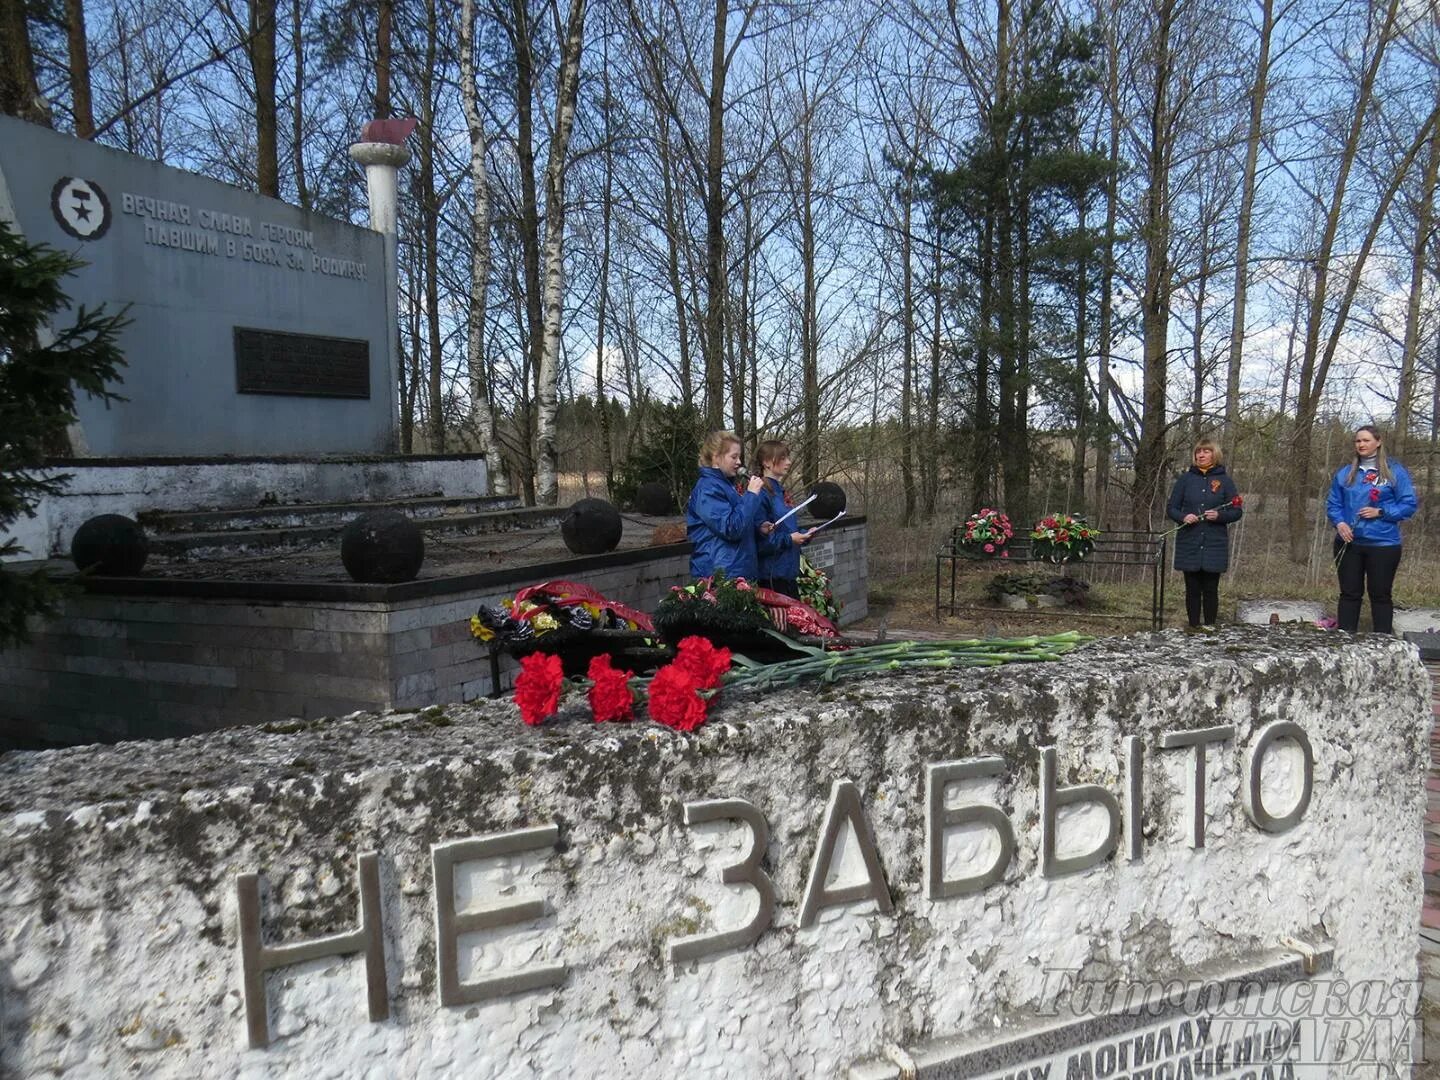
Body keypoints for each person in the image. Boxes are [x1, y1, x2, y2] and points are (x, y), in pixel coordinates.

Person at [1326, 424, 1417, 634]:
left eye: (1366, 440)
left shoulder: (1395, 471)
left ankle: (1382, 644)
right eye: (1358, 441)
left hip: (1383, 544)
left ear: (1378, 442)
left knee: (1380, 595)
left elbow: (1408, 504)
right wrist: (1339, 523)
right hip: (1349, 543)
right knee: (1349, 594)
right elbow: (1333, 504)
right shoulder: (1345, 473)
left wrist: (1381, 512)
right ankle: (1345, 641)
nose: (1361, 444)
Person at [1165, 438, 1243, 629]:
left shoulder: (1225, 481)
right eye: (1198, 452)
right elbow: (1171, 508)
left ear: (1214, 454)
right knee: (1192, 589)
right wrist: (1184, 517)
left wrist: (1219, 515)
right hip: (1189, 541)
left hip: (1214, 543)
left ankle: (1209, 628)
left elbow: (1237, 511)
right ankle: (1193, 627)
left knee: (1210, 589)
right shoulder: (1185, 480)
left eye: (1206, 451)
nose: (1201, 455)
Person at [685, 431, 767, 581]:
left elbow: (737, 521)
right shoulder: (708, 489)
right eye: (733, 457)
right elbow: (730, 528)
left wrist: (758, 528)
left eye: (739, 457)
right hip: (720, 575)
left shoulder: (725, 486)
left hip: (736, 572)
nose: (739, 462)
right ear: (716, 457)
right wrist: (751, 496)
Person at [753, 440, 813, 597]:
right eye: (782, 458)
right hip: (771, 576)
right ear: (766, 462)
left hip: (788, 573)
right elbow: (761, 541)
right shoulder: (761, 494)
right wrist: (789, 540)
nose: (788, 462)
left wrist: (805, 534)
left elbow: (787, 528)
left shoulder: (780, 492)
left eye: (788, 457)